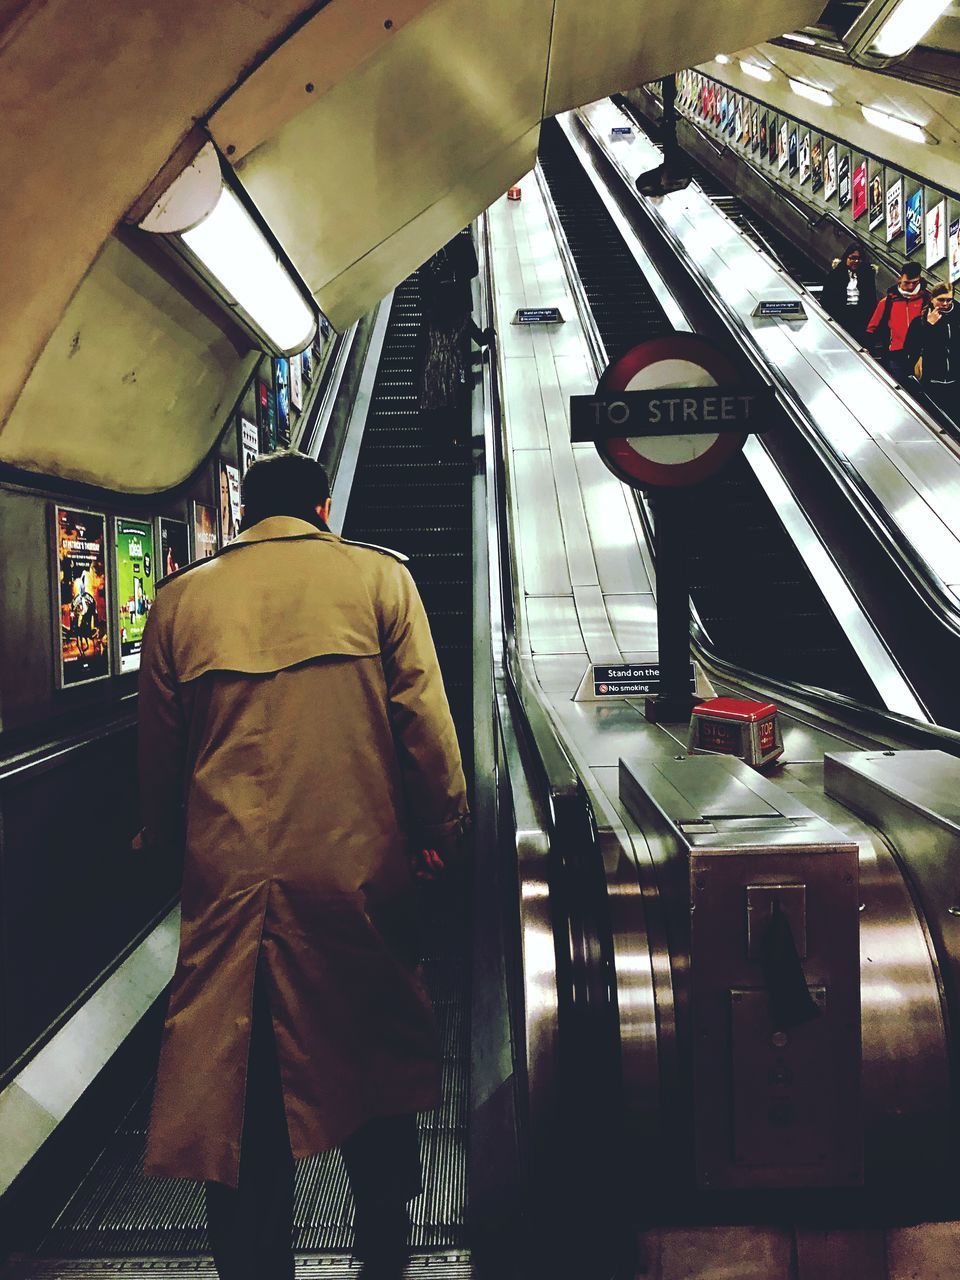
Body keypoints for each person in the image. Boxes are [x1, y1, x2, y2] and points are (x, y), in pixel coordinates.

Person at [136, 450, 469, 1280]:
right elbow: (425, 722)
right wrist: (440, 828)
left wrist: (167, 843)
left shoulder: (180, 603)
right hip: (356, 880)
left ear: (246, 515)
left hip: (231, 889)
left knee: (240, 1092)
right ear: (325, 508)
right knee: (371, 1068)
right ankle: (384, 1251)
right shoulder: (380, 583)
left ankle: (257, 1264)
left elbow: (159, 762)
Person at [417, 229, 491, 453]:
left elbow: (424, 285)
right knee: (453, 385)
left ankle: (438, 440)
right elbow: (471, 270)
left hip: (440, 315)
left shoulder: (429, 245)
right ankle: (451, 437)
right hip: (450, 311)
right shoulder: (456, 242)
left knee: (440, 385)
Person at [905, 281, 960, 425]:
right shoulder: (921, 321)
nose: (945, 304)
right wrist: (929, 326)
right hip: (932, 380)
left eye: (949, 300)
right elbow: (912, 347)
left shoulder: (957, 318)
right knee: (938, 422)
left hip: (956, 379)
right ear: (932, 299)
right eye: (941, 300)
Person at [866, 261, 929, 384]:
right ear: (900, 279)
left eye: (914, 283)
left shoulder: (927, 300)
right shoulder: (888, 301)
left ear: (920, 279)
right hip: (895, 354)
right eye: (907, 283)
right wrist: (868, 346)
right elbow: (872, 327)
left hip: (921, 355)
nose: (911, 287)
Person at [820, 243, 877, 343]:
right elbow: (827, 298)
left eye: (859, 259)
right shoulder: (836, 275)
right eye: (853, 258)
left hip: (861, 317)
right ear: (846, 258)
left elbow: (871, 299)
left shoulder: (867, 275)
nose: (856, 261)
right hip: (840, 316)